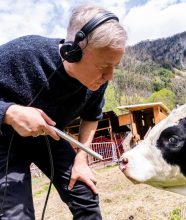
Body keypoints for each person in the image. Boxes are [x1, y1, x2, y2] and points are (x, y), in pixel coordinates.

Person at [0, 4, 127, 219]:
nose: (110, 76)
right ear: (73, 52)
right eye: (103, 66)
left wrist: (81, 160)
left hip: (50, 136)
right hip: (3, 141)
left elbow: (92, 116)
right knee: (15, 215)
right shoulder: (21, 53)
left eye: (115, 66)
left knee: (85, 195)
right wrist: (9, 112)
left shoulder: (99, 81)